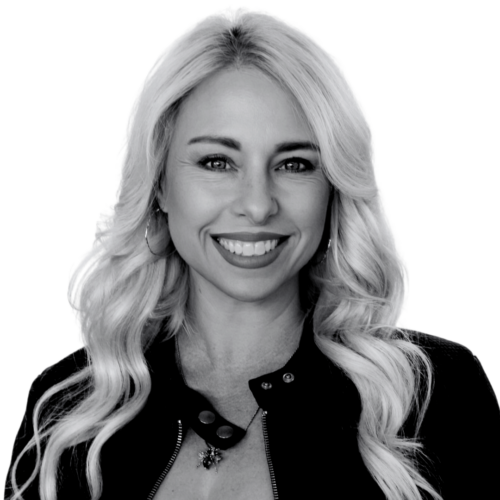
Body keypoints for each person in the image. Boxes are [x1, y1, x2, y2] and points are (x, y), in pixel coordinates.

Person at [5, 11, 500, 500]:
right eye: (217, 162)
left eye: (295, 164)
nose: (259, 205)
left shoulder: (434, 394)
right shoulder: (70, 410)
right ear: (159, 184)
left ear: (333, 188)